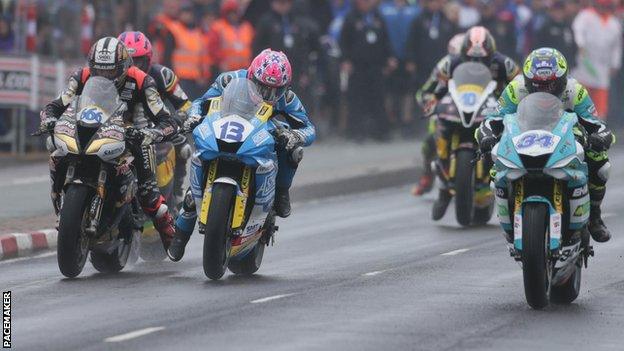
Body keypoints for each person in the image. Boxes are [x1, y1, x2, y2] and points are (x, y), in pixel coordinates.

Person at [167, 49, 316, 261]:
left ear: (285, 87)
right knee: (200, 161)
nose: (267, 95)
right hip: (226, 128)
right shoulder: (229, 79)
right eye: (262, 87)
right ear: (251, 76)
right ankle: (180, 234)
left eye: (275, 90)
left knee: (293, 150)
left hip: (260, 136)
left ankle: (282, 190)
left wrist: (295, 135)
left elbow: (309, 128)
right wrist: (194, 116)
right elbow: (201, 102)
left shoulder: (288, 98)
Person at [40, 37, 178, 249]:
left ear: (123, 67)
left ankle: (168, 230)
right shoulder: (80, 76)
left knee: (148, 194)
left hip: (132, 133)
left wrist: (152, 133)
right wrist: (49, 119)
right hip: (91, 128)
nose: (104, 75)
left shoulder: (143, 81)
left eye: (110, 71)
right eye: (98, 70)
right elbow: (57, 104)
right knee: (56, 151)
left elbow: (166, 118)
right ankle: (60, 202)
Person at [476, 48, 614, 243]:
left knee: (601, 164)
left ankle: (594, 216)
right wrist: (486, 137)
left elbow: (596, 124)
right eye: (537, 85)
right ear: (527, 80)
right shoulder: (515, 89)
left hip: (565, 139)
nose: (544, 90)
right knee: (495, 165)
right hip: (524, 138)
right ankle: (508, 220)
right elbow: (491, 121)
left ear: (563, 79)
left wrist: (601, 138)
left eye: (550, 85)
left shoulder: (576, 91)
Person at [426, 26, 519, 219]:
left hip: (492, 109)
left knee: (512, 136)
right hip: (460, 106)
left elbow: (521, 86)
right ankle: (443, 182)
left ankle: (508, 184)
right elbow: (436, 85)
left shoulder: (504, 63)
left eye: (482, 59)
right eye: (471, 58)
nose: (477, 62)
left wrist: (517, 106)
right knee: (438, 125)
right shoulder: (450, 62)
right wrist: (432, 100)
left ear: (491, 53)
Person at [118, 30, 193, 209]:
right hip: (118, 126)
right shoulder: (111, 75)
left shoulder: (162, 75)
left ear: (149, 58)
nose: (133, 67)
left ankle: (177, 195)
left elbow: (185, 105)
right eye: (128, 61)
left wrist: (176, 121)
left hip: (156, 128)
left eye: (138, 61)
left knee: (183, 146)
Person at [412, 33, 464, 196]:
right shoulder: (443, 66)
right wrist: (432, 102)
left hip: (474, 112)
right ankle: (427, 174)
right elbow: (424, 92)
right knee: (429, 143)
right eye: (457, 56)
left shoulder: (482, 68)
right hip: (448, 112)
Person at [340, 0, 396, 140]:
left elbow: (385, 39)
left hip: (376, 66)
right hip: (357, 66)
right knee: (357, 100)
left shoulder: (378, 17)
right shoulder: (351, 18)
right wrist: (345, 59)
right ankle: (356, 132)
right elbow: (344, 41)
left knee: (378, 99)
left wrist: (389, 57)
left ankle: (381, 132)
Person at [571, 0, 622, 119]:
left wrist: (615, 64)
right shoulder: (585, 16)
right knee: (579, 99)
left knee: (600, 105)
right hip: (584, 64)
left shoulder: (614, 23)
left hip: (602, 68)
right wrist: (581, 45)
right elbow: (577, 31)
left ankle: (598, 129)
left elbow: (617, 46)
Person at [158, 2, 213, 99]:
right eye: (185, 12)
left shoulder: (198, 33)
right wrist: (170, 77)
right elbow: (167, 56)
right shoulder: (173, 30)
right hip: (179, 78)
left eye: (189, 12)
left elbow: (203, 57)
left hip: (195, 79)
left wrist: (205, 75)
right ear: (180, 14)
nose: (187, 15)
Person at [207, 0, 255, 74]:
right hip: (226, 71)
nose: (233, 15)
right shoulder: (218, 27)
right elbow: (212, 48)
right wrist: (220, 61)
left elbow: (253, 46)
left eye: (235, 12)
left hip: (245, 70)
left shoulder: (247, 27)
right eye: (230, 13)